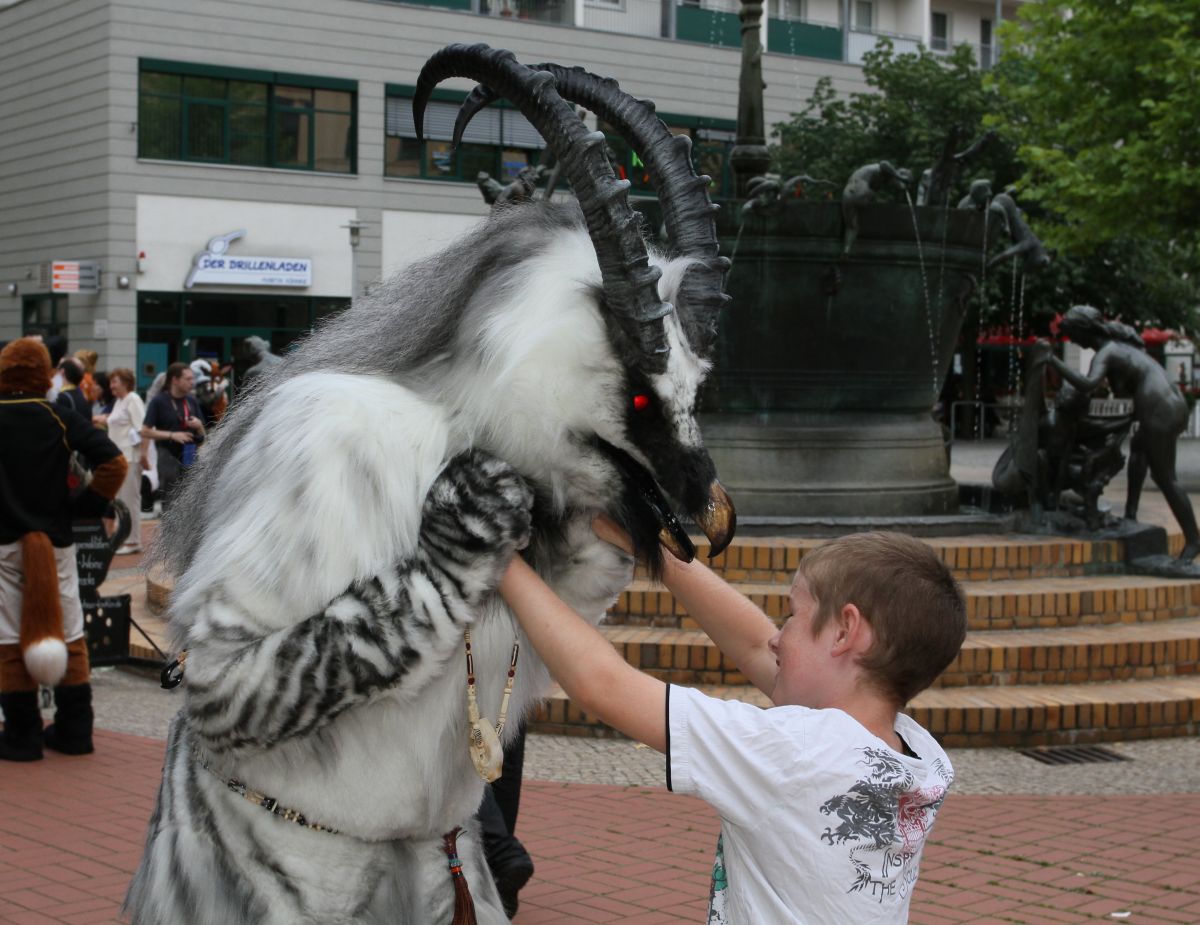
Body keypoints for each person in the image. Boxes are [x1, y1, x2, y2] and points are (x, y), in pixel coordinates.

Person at [499, 526, 967, 924]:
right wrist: (651, 546)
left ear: (845, 632)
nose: (777, 637)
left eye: (792, 616)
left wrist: (499, 556)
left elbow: (603, 685)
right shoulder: (920, 756)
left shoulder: (795, 753)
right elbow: (753, 646)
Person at [0, 338, 127, 761]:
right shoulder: (60, 415)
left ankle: (22, 736)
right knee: (71, 632)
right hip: (58, 542)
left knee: (7, 638)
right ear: (44, 373)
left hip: (4, 547)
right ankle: (75, 731)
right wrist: (86, 506)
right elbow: (114, 462)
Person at [1047, 305, 1200, 560]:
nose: (1071, 340)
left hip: (1160, 408)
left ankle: (1194, 539)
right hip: (1170, 404)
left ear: (1084, 330)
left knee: (1165, 478)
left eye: (1072, 334)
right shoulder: (1119, 346)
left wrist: (1052, 360)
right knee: (1139, 451)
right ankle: (1130, 514)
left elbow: (1086, 384)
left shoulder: (1107, 352)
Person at [94, 368, 146, 554]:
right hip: (119, 457)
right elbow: (116, 420)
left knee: (130, 499)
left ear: (125, 382)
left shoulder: (133, 399)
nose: (111, 386)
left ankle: (133, 540)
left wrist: (143, 456)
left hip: (130, 456)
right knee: (121, 499)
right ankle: (126, 537)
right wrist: (101, 419)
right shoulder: (120, 401)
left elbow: (142, 428)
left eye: (114, 382)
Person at [140, 362, 205, 509]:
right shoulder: (159, 401)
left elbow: (203, 437)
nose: (192, 382)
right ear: (174, 380)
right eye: (187, 379)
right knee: (170, 501)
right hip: (168, 455)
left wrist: (199, 426)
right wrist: (172, 435)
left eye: (192, 379)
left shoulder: (192, 401)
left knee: (192, 502)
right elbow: (145, 431)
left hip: (190, 456)